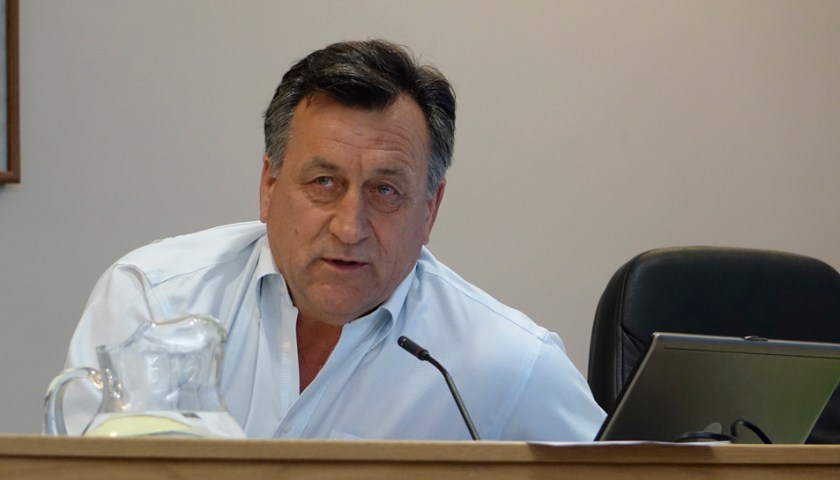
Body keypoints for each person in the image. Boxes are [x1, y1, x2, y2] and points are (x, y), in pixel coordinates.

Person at [61, 39, 605, 440]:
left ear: (430, 209)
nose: (350, 227)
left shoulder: (506, 363)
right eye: (324, 183)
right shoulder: (153, 302)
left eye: (385, 191)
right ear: (269, 186)